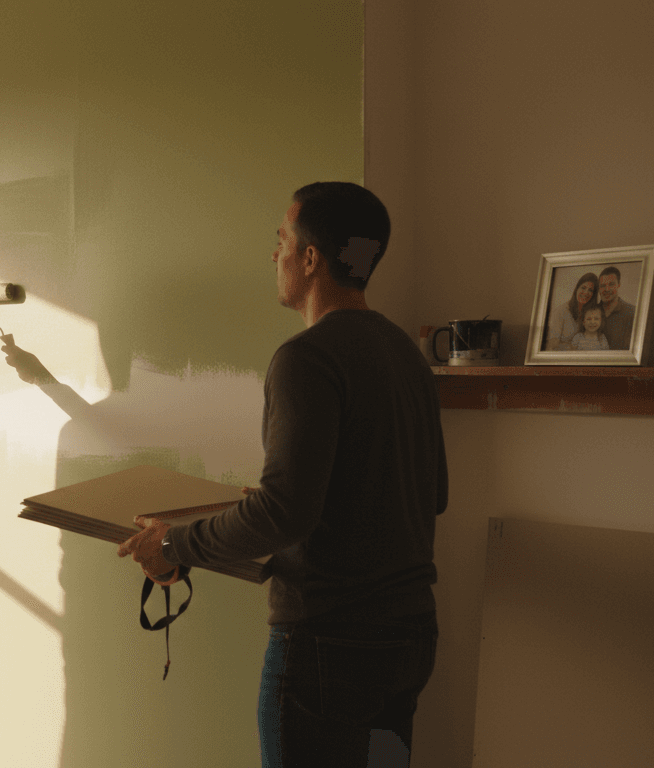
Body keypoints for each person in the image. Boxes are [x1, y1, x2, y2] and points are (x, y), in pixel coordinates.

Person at [118, 182, 447, 768]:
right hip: (409, 637)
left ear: (312, 258)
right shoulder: (405, 355)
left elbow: (285, 513)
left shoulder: (306, 358)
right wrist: (289, 499)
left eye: (282, 240)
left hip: (329, 647)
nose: (276, 255)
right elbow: (427, 494)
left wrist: (172, 542)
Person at [544, 272, 598, 351]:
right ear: (577, 288)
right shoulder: (561, 311)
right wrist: (575, 348)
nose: (586, 292)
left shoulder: (592, 313)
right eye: (583, 288)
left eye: (590, 290)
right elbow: (552, 345)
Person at [597, 266, 635, 350]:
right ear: (599, 288)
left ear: (619, 285)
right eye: (603, 285)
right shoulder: (591, 312)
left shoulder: (632, 313)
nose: (607, 289)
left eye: (611, 284)